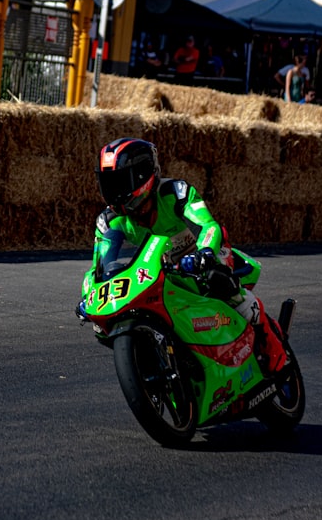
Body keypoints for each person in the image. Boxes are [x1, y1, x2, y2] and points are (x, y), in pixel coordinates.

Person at [90, 138, 287, 373]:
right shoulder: (109, 220)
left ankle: (273, 347)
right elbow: (102, 263)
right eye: (109, 184)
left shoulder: (175, 193)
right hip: (158, 268)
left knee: (218, 281)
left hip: (202, 254)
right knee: (104, 325)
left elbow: (209, 226)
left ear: (143, 175)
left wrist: (204, 253)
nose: (115, 192)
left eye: (121, 182)